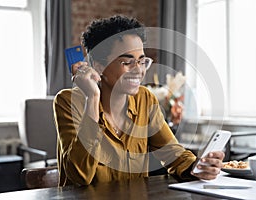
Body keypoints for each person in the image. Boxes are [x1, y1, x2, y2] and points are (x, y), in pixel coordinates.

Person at [53, 15, 225, 186]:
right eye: (128, 62)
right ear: (99, 66)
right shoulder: (68, 101)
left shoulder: (145, 99)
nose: (139, 71)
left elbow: (172, 152)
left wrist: (198, 166)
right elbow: (79, 176)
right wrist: (92, 98)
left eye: (142, 62)